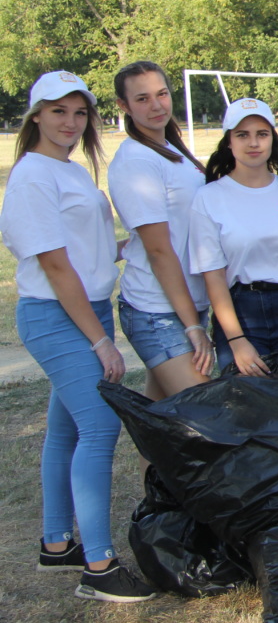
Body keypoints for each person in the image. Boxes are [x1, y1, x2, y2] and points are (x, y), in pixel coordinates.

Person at [0, 71, 154, 602]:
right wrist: (100, 340)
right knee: (100, 425)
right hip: (57, 315)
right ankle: (99, 566)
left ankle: (56, 542)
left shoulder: (67, 170)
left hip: (84, 308)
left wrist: (119, 247)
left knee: (65, 430)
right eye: (57, 111)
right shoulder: (33, 175)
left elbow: (80, 246)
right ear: (35, 115)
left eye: (79, 112)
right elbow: (55, 265)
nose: (69, 122)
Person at [189, 98, 278, 376]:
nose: (253, 143)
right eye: (242, 135)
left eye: (262, 134)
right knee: (248, 408)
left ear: (273, 138)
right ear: (228, 142)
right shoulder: (209, 197)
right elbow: (213, 277)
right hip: (241, 313)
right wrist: (236, 341)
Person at [109, 61, 212, 401]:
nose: (156, 106)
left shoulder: (171, 151)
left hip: (187, 301)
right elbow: (158, 250)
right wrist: (193, 325)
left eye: (162, 94)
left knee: (163, 422)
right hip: (157, 311)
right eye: (142, 99)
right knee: (205, 413)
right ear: (123, 106)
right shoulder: (136, 162)